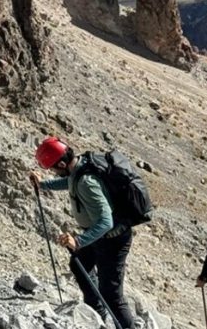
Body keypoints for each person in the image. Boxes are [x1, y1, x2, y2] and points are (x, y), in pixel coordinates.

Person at [28, 137, 135, 329]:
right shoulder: (80, 166)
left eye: (54, 168)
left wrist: (78, 241)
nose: (54, 171)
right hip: (98, 236)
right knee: (80, 265)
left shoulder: (87, 182)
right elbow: (69, 182)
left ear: (61, 163)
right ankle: (95, 314)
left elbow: (106, 221)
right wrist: (44, 185)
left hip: (113, 240)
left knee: (111, 294)